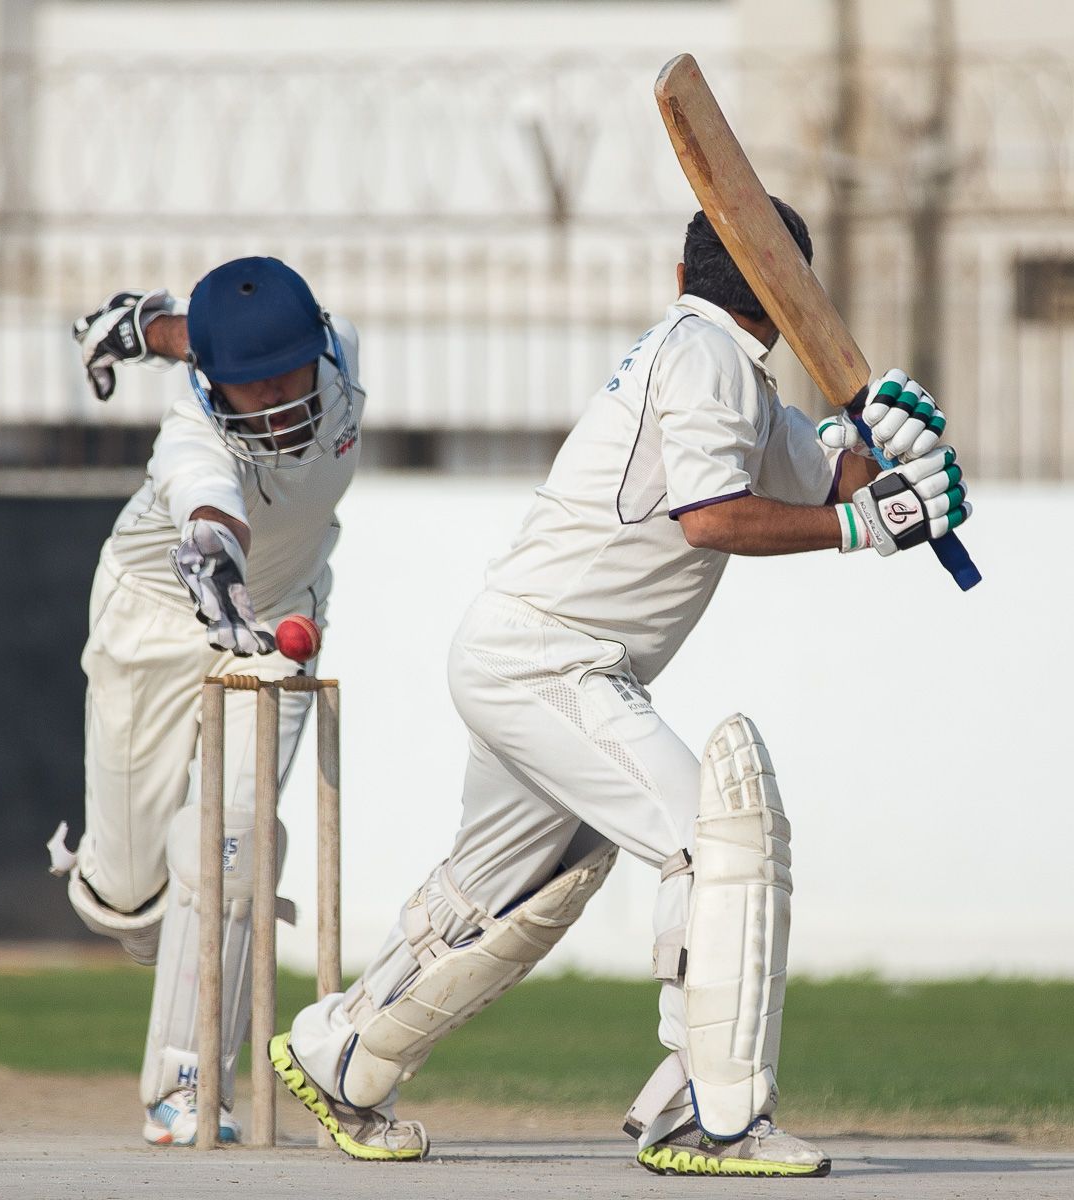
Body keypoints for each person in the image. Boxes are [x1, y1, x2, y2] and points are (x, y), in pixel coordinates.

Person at [269, 203, 972, 1174]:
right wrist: (868, 524)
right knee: (715, 844)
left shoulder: (726, 371)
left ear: (680, 276)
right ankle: (708, 1114)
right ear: (791, 296)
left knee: (506, 891)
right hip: (550, 660)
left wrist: (895, 455)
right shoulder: (706, 359)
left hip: (523, 650)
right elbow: (713, 518)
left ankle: (343, 1053)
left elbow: (835, 485)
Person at [46, 256, 365, 1146]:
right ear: (212, 382)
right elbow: (210, 505)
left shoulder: (340, 348)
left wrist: (142, 326)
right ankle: (125, 900)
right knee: (128, 896)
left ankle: (188, 1086)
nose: (275, 399)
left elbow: (219, 335)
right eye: (250, 385)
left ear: (318, 345)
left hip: (278, 619)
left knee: (230, 842)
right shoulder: (191, 433)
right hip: (154, 614)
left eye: (288, 374)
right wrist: (213, 552)